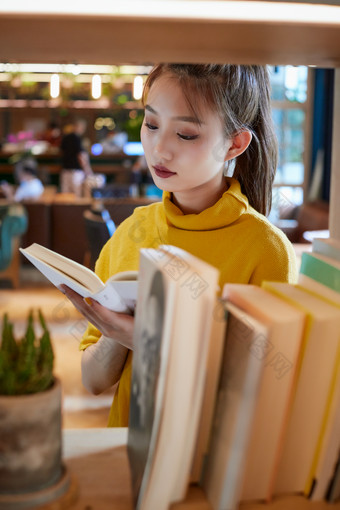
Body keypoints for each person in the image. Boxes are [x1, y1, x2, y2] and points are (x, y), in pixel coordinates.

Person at [61, 64, 298, 427]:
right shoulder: (132, 232)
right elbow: (93, 381)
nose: (159, 149)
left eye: (186, 134)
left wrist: (148, 342)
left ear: (234, 144)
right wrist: (114, 334)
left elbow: (265, 393)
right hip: (126, 451)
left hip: (209, 465)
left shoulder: (266, 250)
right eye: (151, 124)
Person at [60, 118, 93, 196]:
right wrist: (87, 170)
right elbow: (81, 156)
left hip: (65, 171)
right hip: (76, 172)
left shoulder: (66, 138)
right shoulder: (78, 139)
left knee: (65, 196)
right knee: (76, 196)